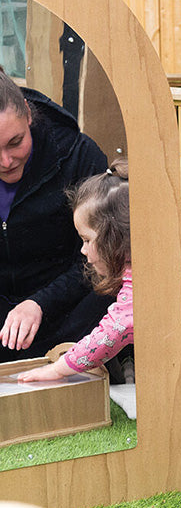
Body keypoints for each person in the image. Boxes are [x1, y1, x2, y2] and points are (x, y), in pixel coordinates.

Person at [0, 67, 111, 362]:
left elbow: (102, 257)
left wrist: (39, 303)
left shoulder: (79, 154)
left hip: (66, 309)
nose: (6, 161)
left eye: (15, 142)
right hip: (4, 319)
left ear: (28, 112)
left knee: (113, 287)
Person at [18, 161, 131, 383]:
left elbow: (110, 333)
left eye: (87, 240)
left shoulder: (137, 285)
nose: (83, 249)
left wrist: (58, 369)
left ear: (115, 236)